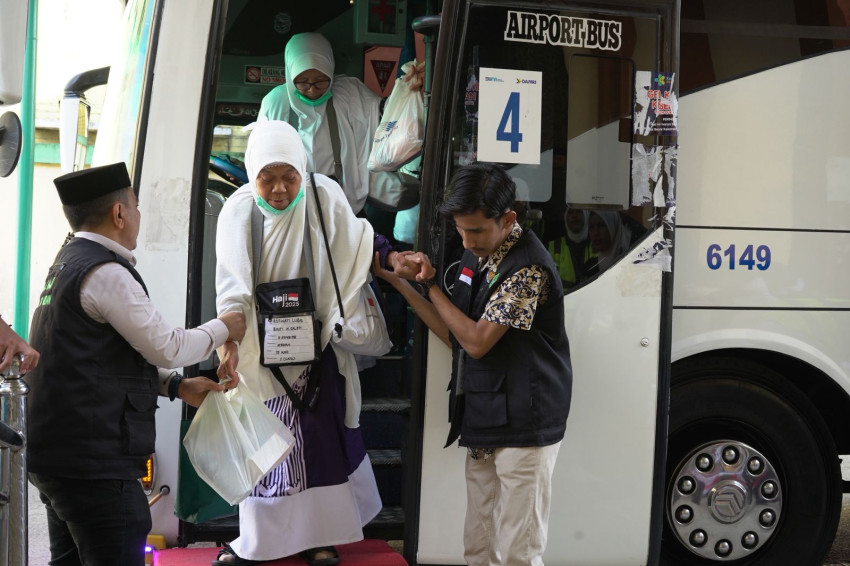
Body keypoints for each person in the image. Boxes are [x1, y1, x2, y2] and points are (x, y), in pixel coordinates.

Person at [26, 162, 247, 566]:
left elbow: (98, 359)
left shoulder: (67, 263)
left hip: (60, 460)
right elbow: (168, 347)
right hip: (95, 467)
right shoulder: (105, 273)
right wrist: (224, 326)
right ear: (119, 213)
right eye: (137, 206)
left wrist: (177, 386)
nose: (138, 216)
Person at [373, 163, 572, 566]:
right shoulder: (477, 251)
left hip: (526, 421)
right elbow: (455, 335)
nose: (467, 240)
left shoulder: (529, 268)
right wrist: (400, 283)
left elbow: (477, 342)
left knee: (518, 550)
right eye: (461, 231)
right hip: (485, 412)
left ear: (508, 219)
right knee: (478, 543)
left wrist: (430, 284)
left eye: (476, 231)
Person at [213, 120, 382, 566]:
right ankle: (258, 541)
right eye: (266, 177)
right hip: (258, 351)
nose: (279, 189)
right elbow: (231, 288)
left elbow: (358, 243)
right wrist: (229, 345)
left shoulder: (323, 197)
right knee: (266, 451)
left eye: (289, 176)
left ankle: (321, 539)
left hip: (314, 349)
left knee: (319, 446)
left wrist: (393, 255)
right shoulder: (237, 212)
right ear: (252, 173)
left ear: (302, 170)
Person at [258, 32, 422, 217]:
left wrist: (405, 90)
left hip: (344, 205)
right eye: (302, 82)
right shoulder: (275, 102)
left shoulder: (349, 93)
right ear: (290, 76)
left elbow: (385, 117)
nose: (312, 89)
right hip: (293, 208)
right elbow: (261, 156)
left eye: (320, 81)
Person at [547, 205, 594, 288]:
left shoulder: (597, 243)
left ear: (586, 216)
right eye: (570, 212)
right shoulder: (553, 247)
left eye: (578, 211)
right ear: (565, 218)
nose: (574, 216)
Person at [582, 210, 634, 279]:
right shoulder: (590, 268)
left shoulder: (632, 263)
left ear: (614, 227)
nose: (596, 233)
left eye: (601, 225)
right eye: (591, 227)